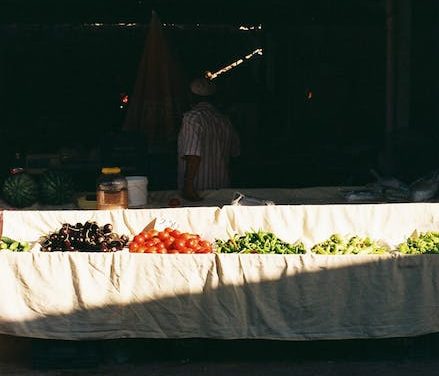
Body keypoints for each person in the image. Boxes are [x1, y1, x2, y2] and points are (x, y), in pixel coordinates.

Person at [177, 77, 240, 201]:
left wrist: (188, 186)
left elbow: (193, 154)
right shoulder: (224, 120)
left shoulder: (192, 118)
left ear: (191, 97)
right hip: (223, 188)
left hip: (198, 190)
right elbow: (235, 154)